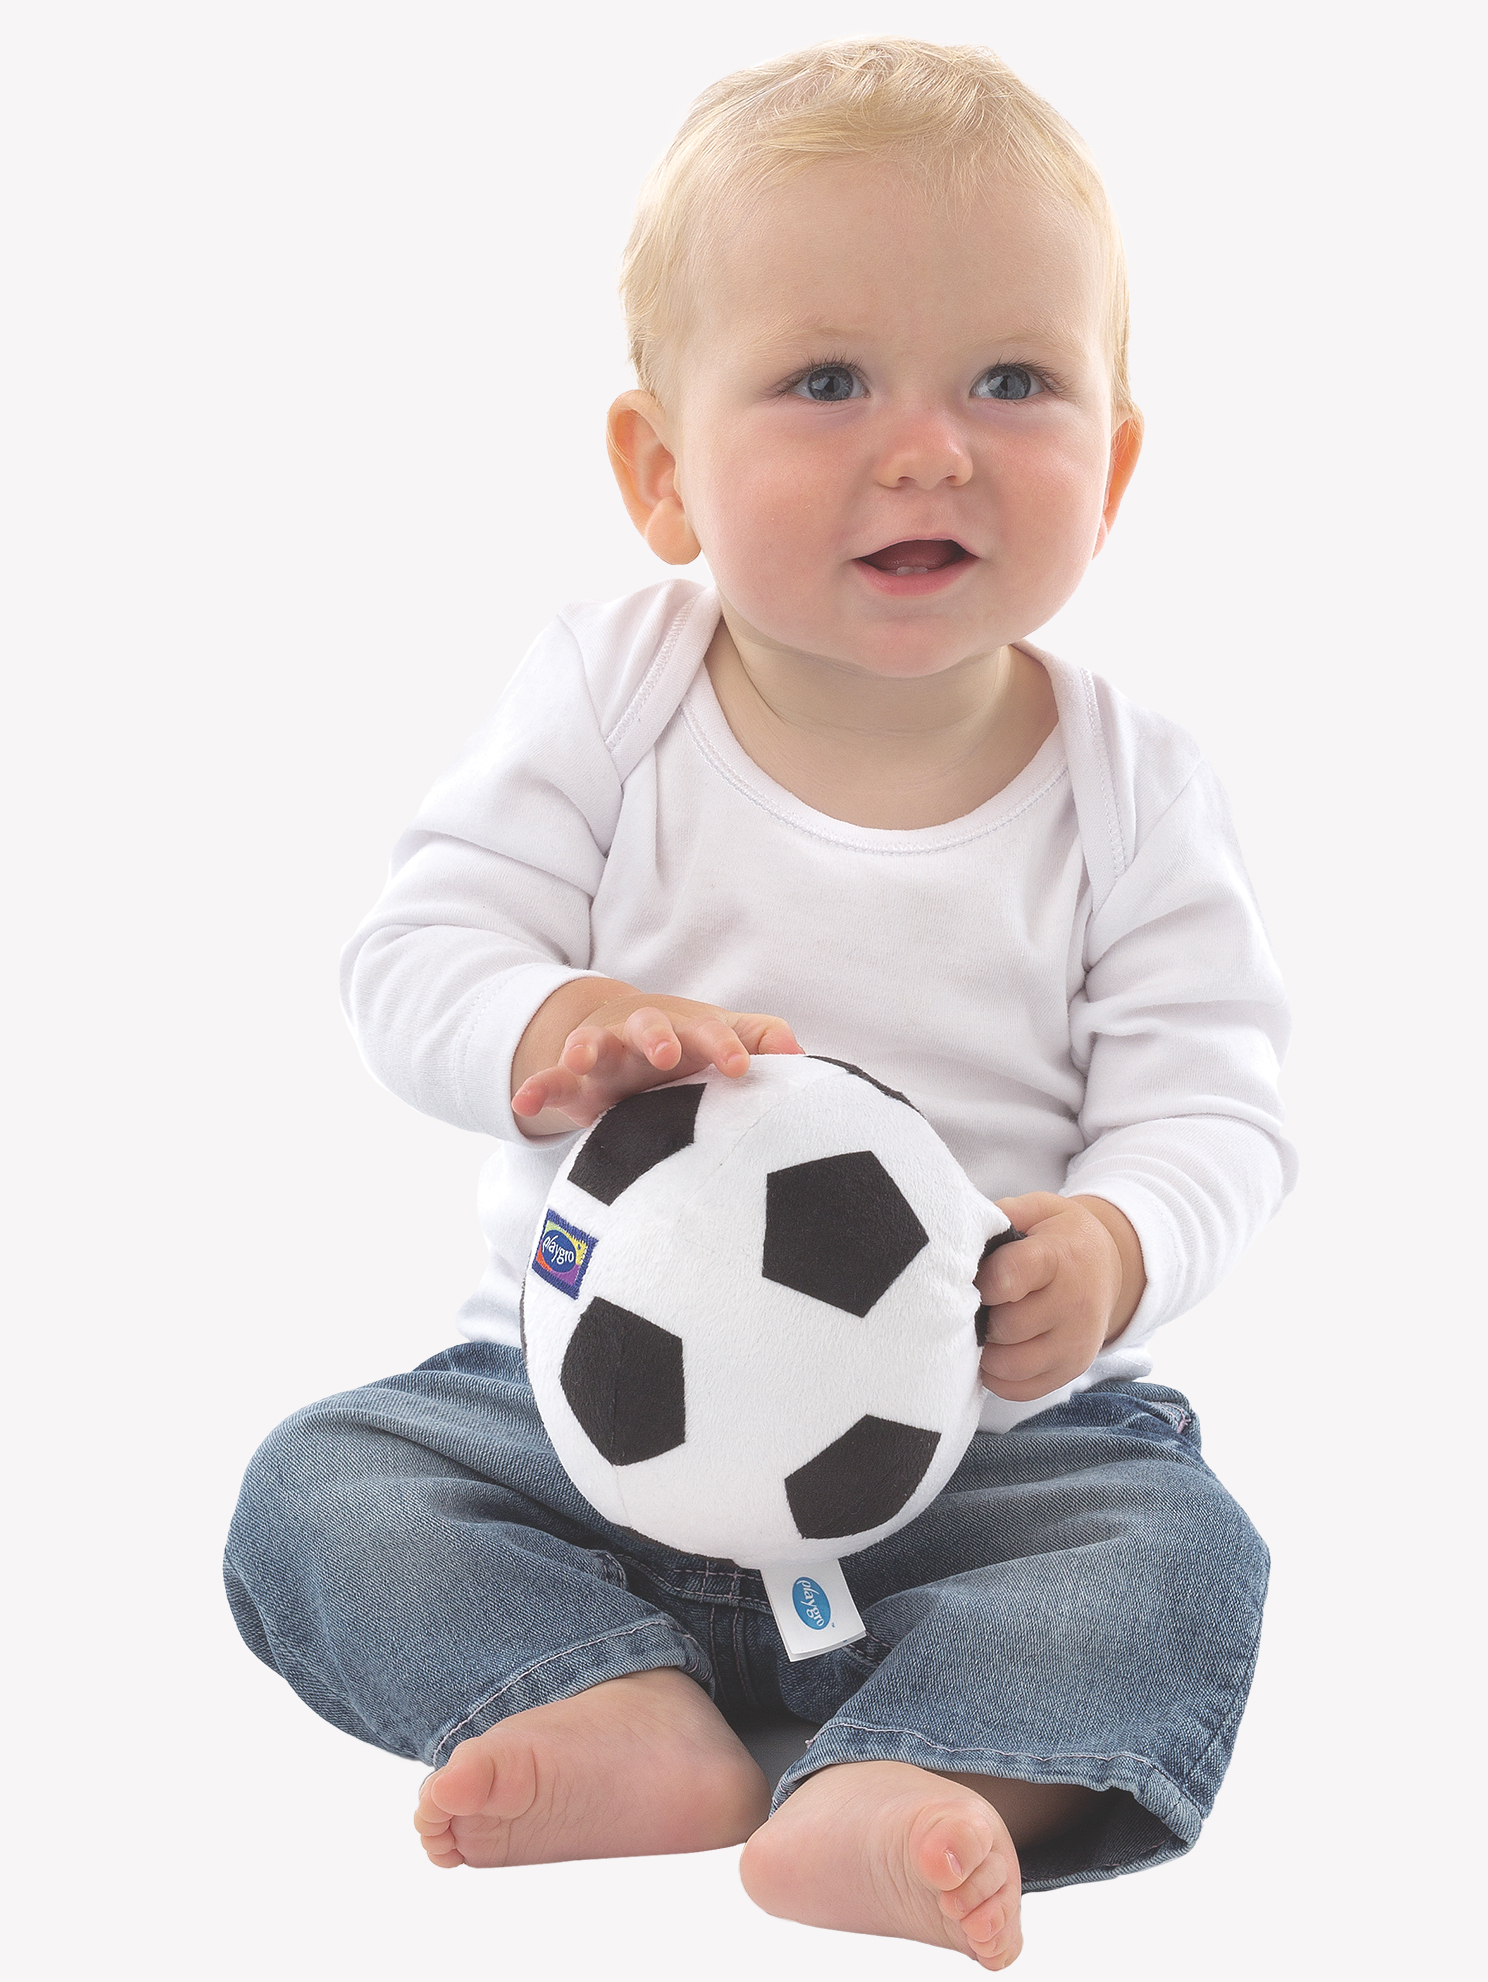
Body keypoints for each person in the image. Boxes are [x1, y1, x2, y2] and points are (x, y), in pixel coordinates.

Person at [225, 37, 1294, 1971]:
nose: (929, 448)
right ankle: (609, 1703)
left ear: (1118, 469)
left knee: (1174, 1552)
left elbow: (1215, 1108)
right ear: (661, 471)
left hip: (975, 1453)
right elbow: (415, 952)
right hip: (568, 1421)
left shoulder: (1131, 788)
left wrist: (1117, 1243)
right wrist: (553, 1026)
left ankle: (923, 1772)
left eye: (1012, 381)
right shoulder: (612, 693)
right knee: (324, 1490)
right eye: (827, 380)